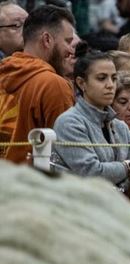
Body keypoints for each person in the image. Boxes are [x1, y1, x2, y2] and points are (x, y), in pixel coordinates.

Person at [52, 51, 130, 191]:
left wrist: (120, 178)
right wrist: (126, 166)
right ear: (82, 83)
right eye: (101, 78)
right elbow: (92, 172)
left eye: (114, 78)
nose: (110, 85)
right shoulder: (69, 123)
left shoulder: (120, 126)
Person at [0, 4, 76, 163]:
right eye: (68, 41)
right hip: (33, 184)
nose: (71, 50)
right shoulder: (53, 85)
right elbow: (68, 154)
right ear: (47, 40)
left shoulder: (4, 72)